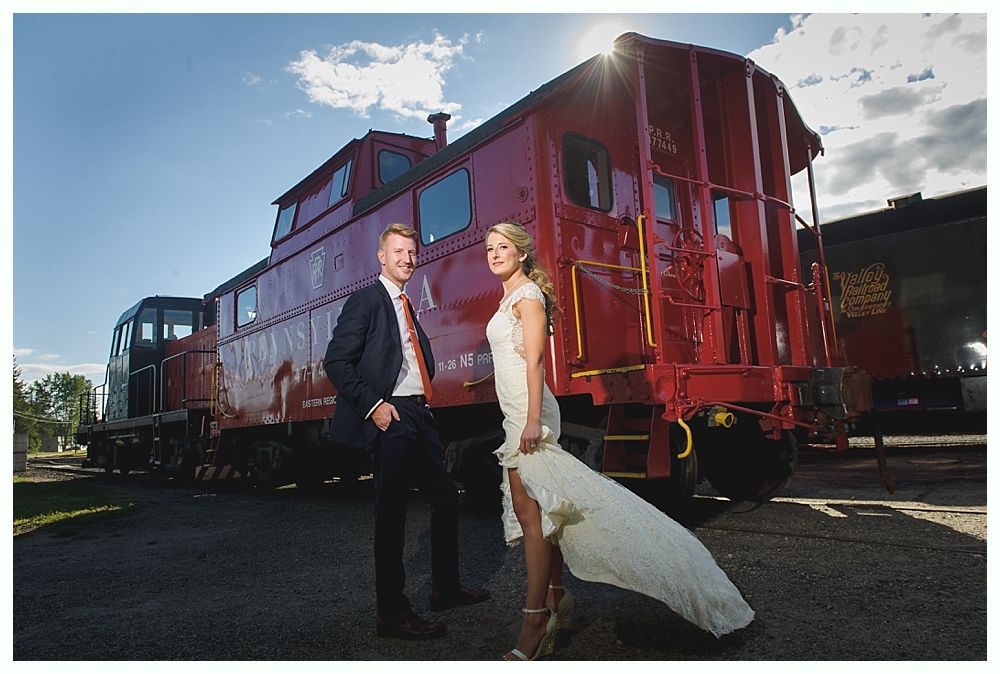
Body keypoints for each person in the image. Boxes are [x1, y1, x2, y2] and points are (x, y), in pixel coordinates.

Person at [484, 222, 754, 660]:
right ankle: (555, 597)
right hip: (516, 407)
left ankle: (535, 619)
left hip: (527, 412)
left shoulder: (528, 296)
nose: (495, 254)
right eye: (490, 248)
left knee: (531, 515)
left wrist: (532, 421)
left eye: (503, 247)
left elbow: (535, 362)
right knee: (537, 510)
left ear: (522, 253)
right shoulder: (507, 296)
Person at [325, 223, 490, 641]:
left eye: (412, 253)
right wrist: (375, 407)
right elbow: (336, 362)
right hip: (391, 414)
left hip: (419, 412)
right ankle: (392, 613)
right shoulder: (366, 301)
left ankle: (445, 588)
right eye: (398, 251)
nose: (407, 259)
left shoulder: (405, 304)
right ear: (381, 256)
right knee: (392, 512)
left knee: (446, 496)